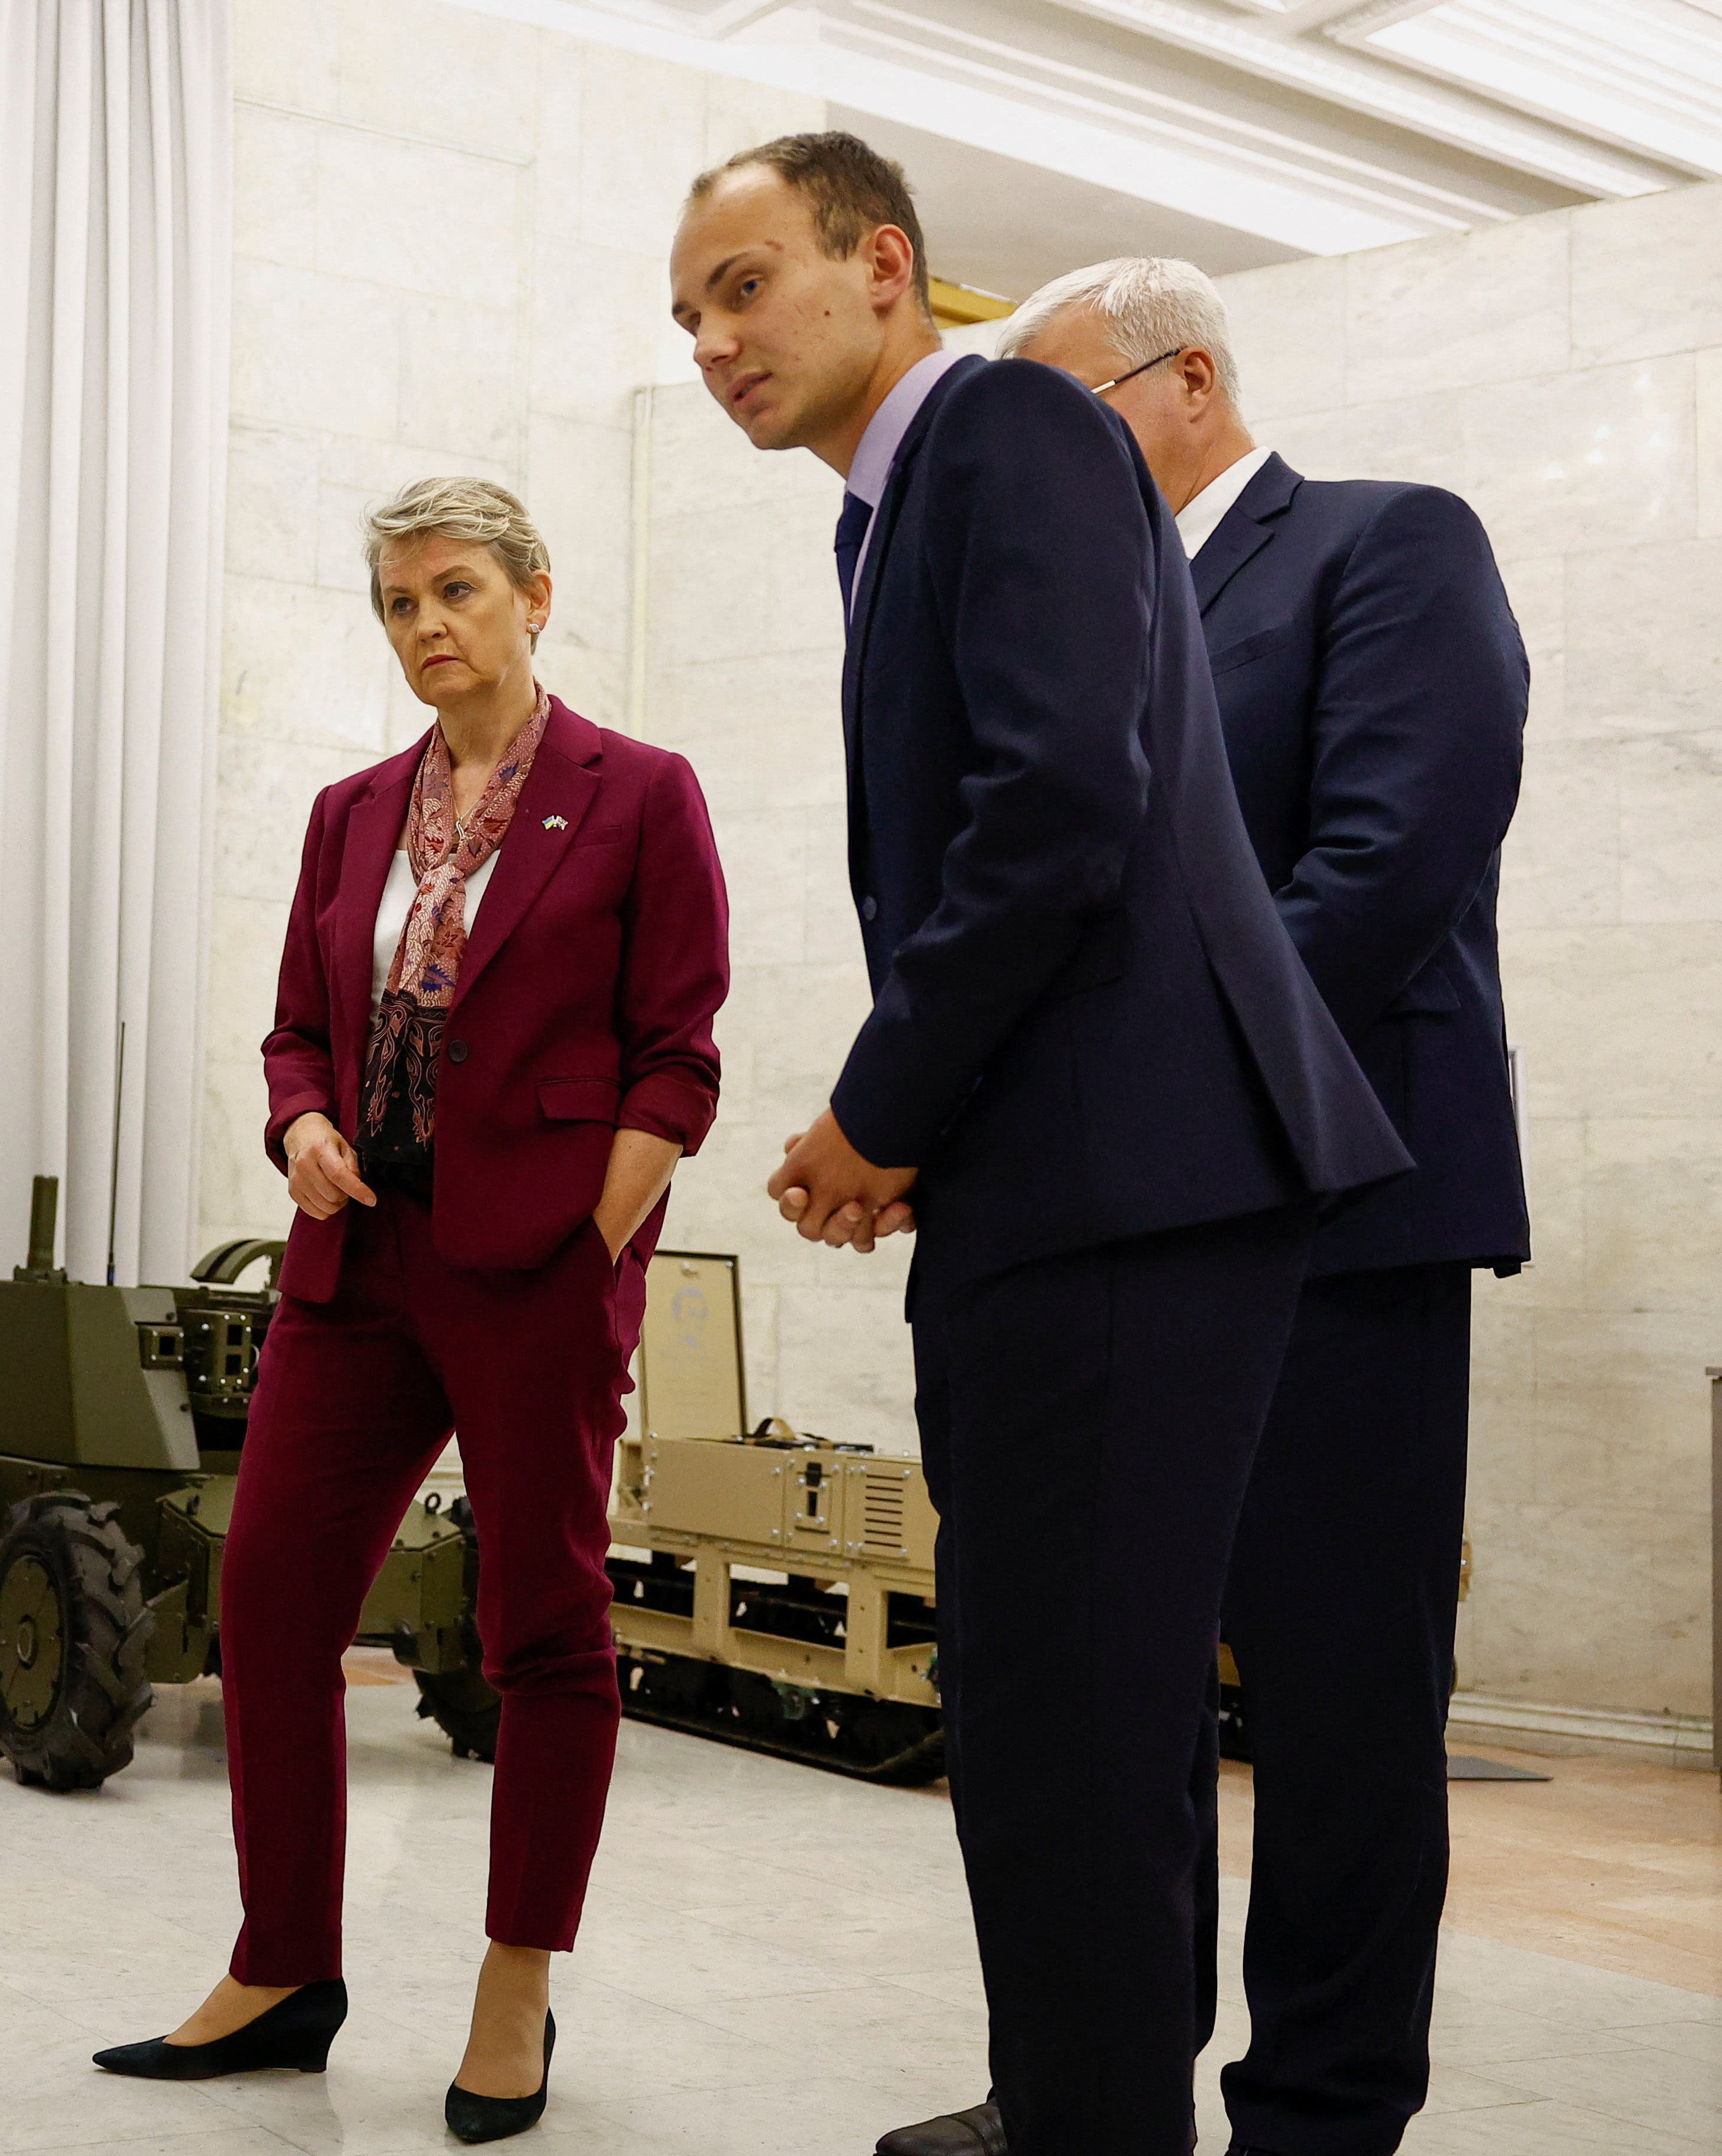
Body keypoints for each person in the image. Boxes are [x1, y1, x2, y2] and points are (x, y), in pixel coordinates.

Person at [666, 136, 1407, 2156]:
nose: (714, 337)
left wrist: (881, 1110)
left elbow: (1065, 805)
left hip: (1123, 1168)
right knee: (1093, 1705)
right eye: (689, 315)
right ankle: (1083, 2097)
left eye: (745, 284)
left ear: (882, 264)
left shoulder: (1002, 430)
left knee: (1063, 1728)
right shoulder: (897, 509)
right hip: (1086, 1164)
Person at [879, 259, 1527, 2156]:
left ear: (1182, 383)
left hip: (1335, 1217)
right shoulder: (1090, 608)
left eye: (1062, 410)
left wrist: (1144, 1095)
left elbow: (1389, 864)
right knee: (1100, 1701)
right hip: (1116, 1235)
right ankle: (1091, 2092)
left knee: (1334, 1705)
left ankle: (1317, 2119)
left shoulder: (1385, 547)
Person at [91, 478, 729, 2145]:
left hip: (534, 1265)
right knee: (272, 1603)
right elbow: (299, 1025)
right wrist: (299, 1123)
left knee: (539, 1629)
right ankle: (282, 1968)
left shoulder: (641, 796)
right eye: (393, 603)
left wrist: (596, 1233)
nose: (424, 626)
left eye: (453, 591)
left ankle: (513, 1987)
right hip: (356, 1258)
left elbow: (678, 1056)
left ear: (533, 591)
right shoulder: (349, 808)